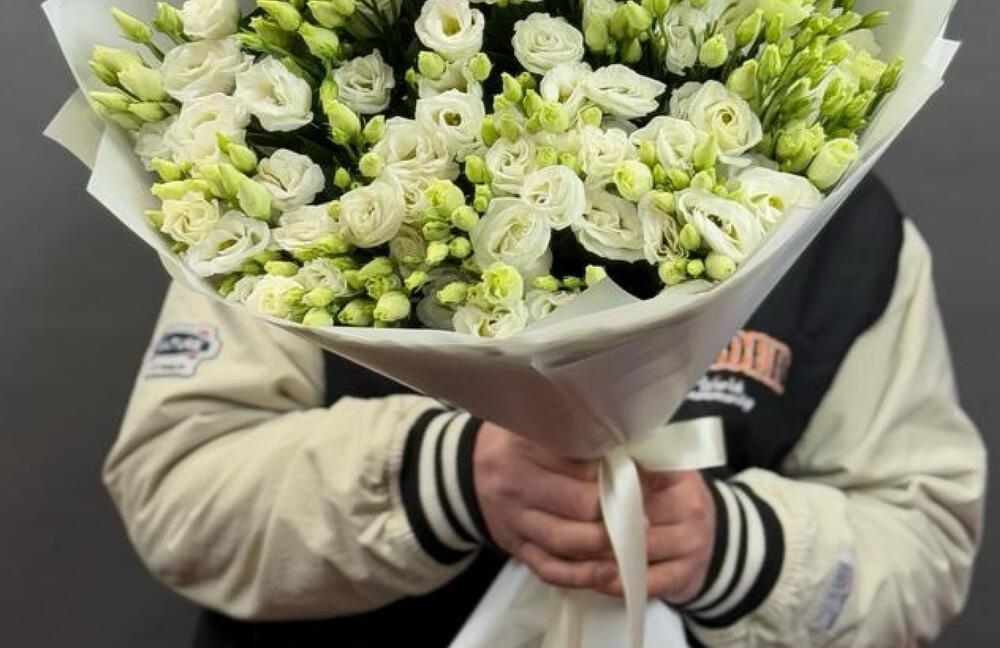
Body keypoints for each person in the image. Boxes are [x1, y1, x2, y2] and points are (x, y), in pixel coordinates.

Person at [104, 177, 985, 646]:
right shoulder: (287, 183)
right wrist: (450, 479)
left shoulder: (843, 226)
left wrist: (727, 548)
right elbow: (178, 492)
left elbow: (924, 548)